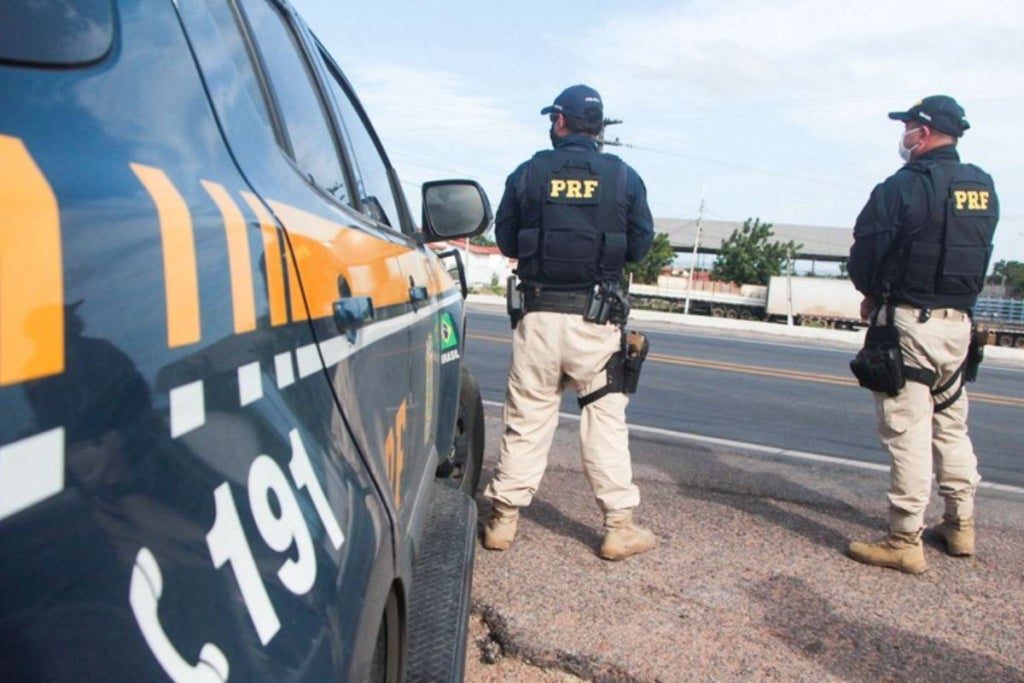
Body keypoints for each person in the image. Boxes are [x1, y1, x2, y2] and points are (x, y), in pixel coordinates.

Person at [482, 84, 656, 561]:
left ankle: (503, 520)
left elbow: (506, 240)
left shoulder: (527, 173)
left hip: (538, 317)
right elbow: (640, 247)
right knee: (604, 420)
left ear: (560, 121)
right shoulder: (624, 178)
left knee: (528, 417)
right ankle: (618, 526)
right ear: (597, 128)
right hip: (595, 323)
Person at [847, 95, 999, 574]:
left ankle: (903, 538)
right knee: (951, 426)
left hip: (911, 325)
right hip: (959, 326)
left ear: (925, 133)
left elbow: (866, 251)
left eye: (909, 127)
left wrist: (870, 293)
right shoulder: (982, 187)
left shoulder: (903, 186)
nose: (905, 135)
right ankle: (960, 524)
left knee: (907, 429)